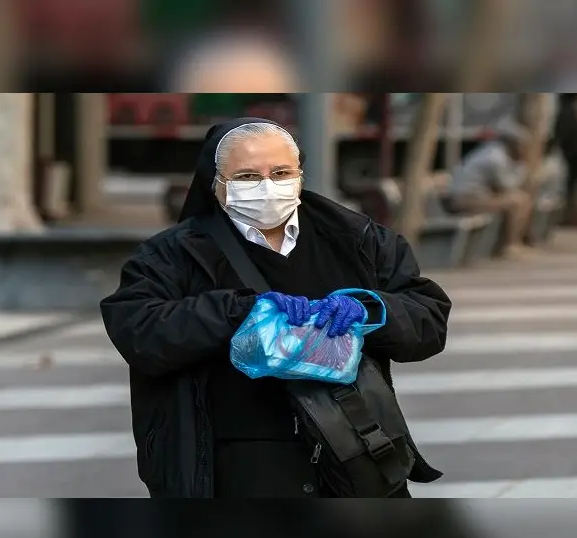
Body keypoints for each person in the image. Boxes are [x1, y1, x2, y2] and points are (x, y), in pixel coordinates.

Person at [100, 118, 450, 498]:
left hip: (350, 449)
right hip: (233, 464)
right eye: (248, 176)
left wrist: (370, 309)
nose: (267, 187)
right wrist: (238, 311)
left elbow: (428, 318)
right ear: (216, 183)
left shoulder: (359, 239)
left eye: (281, 172)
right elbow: (139, 329)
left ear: (300, 175)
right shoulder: (171, 254)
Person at [445, 122, 535, 258]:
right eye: (523, 146)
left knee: (519, 199)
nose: (525, 150)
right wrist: (522, 166)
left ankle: (516, 242)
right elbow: (507, 186)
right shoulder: (495, 158)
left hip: (473, 196)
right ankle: (511, 246)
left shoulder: (495, 152)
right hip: (464, 199)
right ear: (514, 144)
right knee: (518, 201)